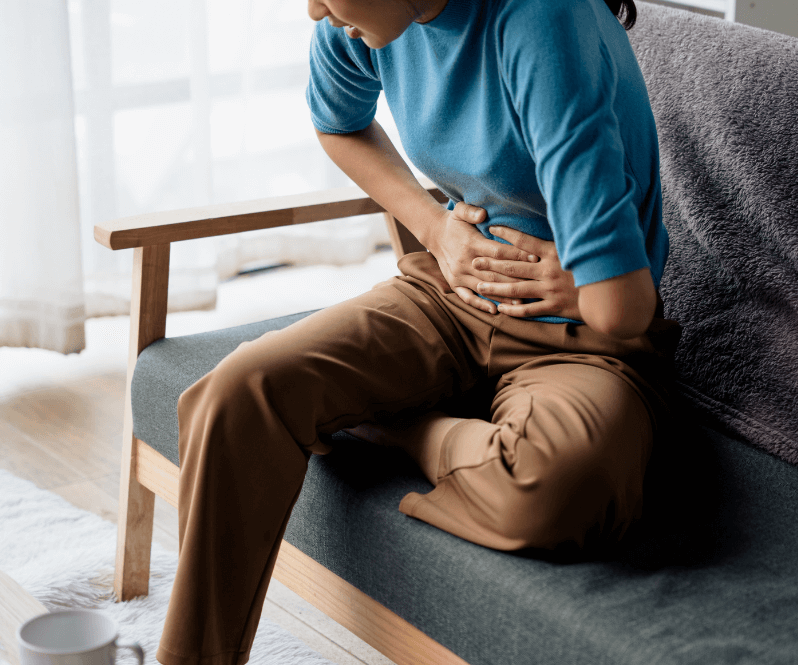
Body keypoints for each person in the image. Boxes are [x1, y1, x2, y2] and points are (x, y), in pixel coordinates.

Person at [156, 1, 680, 663]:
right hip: (456, 296)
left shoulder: (542, 24)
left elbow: (626, 308)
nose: (313, 8)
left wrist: (581, 283)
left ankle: (396, 426)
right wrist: (437, 229)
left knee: (558, 483)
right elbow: (338, 124)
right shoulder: (362, 16)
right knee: (238, 392)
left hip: (585, 343)